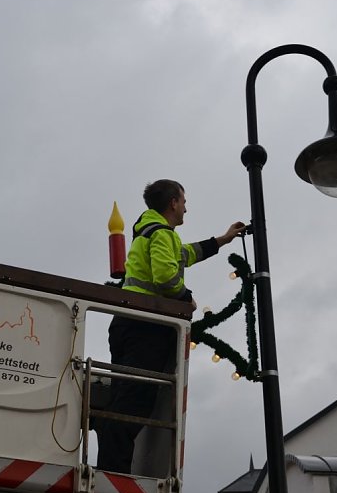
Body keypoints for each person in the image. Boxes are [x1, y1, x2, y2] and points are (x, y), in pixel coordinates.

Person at [96, 179, 245, 474]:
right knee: (135, 401)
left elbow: (186, 254)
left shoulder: (153, 233)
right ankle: (114, 473)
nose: (187, 208)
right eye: (184, 201)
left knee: (127, 395)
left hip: (129, 325)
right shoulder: (162, 234)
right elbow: (166, 278)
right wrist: (186, 299)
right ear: (173, 203)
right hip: (146, 327)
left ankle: (111, 467)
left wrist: (223, 239)